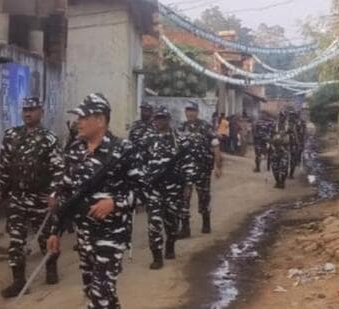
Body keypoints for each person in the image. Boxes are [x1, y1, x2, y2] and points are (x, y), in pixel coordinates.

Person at [47, 93, 144, 309]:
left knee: (99, 296)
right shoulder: (74, 151)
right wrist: (56, 231)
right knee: (96, 292)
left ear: (100, 120)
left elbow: (142, 190)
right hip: (84, 236)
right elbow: (66, 194)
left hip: (112, 235)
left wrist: (115, 203)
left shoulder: (124, 150)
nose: (78, 122)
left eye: (83, 117)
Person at [0, 97, 65, 298]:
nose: (27, 113)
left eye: (32, 109)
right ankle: (18, 281)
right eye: (25, 109)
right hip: (17, 197)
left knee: (45, 239)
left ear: (41, 112)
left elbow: (59, 169)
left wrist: (53, 194)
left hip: (40, 198)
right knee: (16, 240)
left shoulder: (49, 138)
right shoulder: (11, 136)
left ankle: (51, 267)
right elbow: (4, 167)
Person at [142, 106, 195, 270]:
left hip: (174, 188)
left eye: (162, 118)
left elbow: (188, 163)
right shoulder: (148, 140)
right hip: (154, 189)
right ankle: (157, 256)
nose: (159, 121)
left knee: (172, 223)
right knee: (154, 224)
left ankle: (170, 245)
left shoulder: (179, 140)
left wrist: (188, 184)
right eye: (156, 118)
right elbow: (141, 163)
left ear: (168, 120)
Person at [178, 101, 221, 238]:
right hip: (185, 171)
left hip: (203, 169)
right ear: (185, 112)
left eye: (193, 110)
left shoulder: (205, 126)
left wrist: (218, 166)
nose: (190, 113)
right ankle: (185, 229)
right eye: (188, 110)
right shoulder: (181, 128)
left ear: (197, 112)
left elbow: (215, 146)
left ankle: (206, 223)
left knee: (204, 197)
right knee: (184, 199)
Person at [287, 110, 307, 179]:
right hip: (289, 143)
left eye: (292, 115)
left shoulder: (299, 123)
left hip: (295, 144)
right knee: (290, 159)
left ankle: (291, 174)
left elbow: (304, 134)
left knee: (293, 159)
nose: (290, 116)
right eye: (290, 115)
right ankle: (290, 174)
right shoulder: (288, 123)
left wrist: (301, 144)